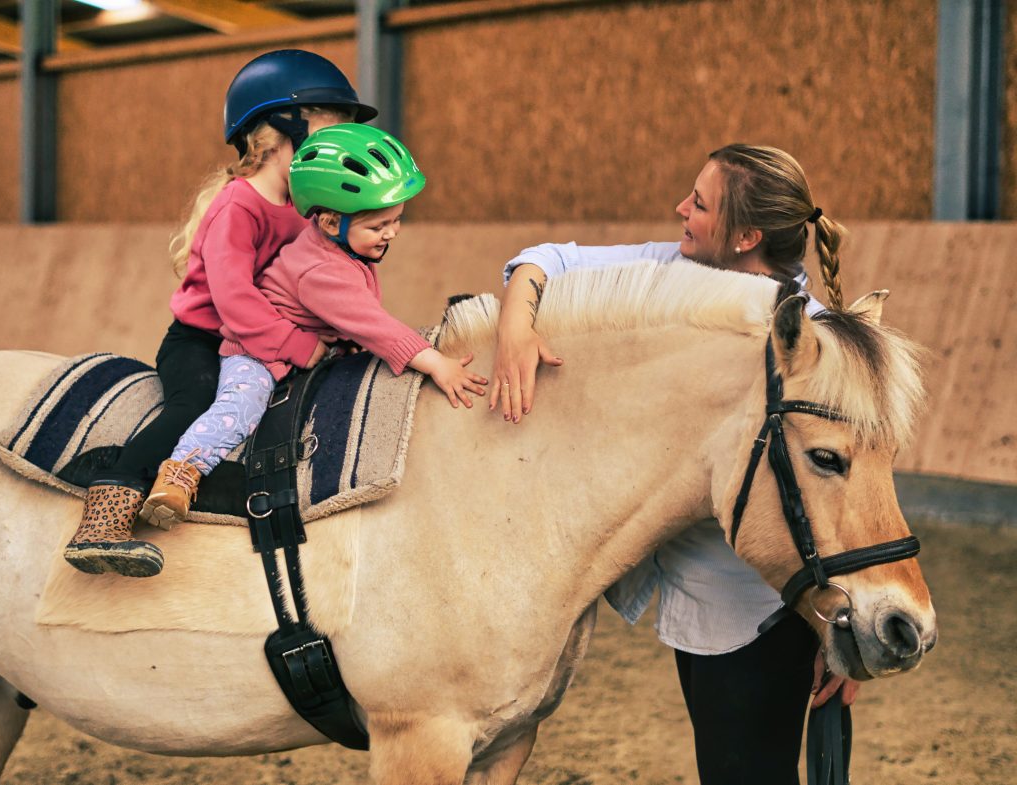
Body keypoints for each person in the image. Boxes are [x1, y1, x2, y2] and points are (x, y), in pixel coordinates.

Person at [490, 144, 859, 785]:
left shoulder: (807, 339)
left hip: (760, 613)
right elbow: (545, 261)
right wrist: (515, 329)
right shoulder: (675, 266)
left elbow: (849, 488)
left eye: (701, 203)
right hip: (698, 599)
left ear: (746, 236)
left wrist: (839, 625)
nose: (680, 209)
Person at [63, 49, 376, 578]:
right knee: (195, 402)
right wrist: (301, 346)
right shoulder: (239, 205)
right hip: (203, 340)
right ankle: (107, 510)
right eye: (332, 120)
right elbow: (235, 303)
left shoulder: (301, 208)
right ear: (279, 128)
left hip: (259, 340)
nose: (342, 134)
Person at [137, 124, 488, 526]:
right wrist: (435, 362)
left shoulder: (343, 249)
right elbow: (374, 324)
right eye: (378, 226)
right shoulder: (320, 271)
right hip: (257, 352)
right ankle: (180, 473)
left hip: (308, 341)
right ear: (328, 223)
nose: (390, 233)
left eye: (396, 220)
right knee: (242, 406)